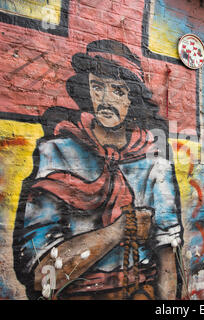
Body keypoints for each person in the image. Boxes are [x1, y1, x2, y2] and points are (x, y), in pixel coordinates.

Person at [12, 40, 182, 300]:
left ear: (132, 98)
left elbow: (167, 259)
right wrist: (117, 231)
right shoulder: (57, 152)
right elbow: (40, 274)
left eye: (117, 90)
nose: (105, 99)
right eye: (97, 87)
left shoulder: (154, 163)